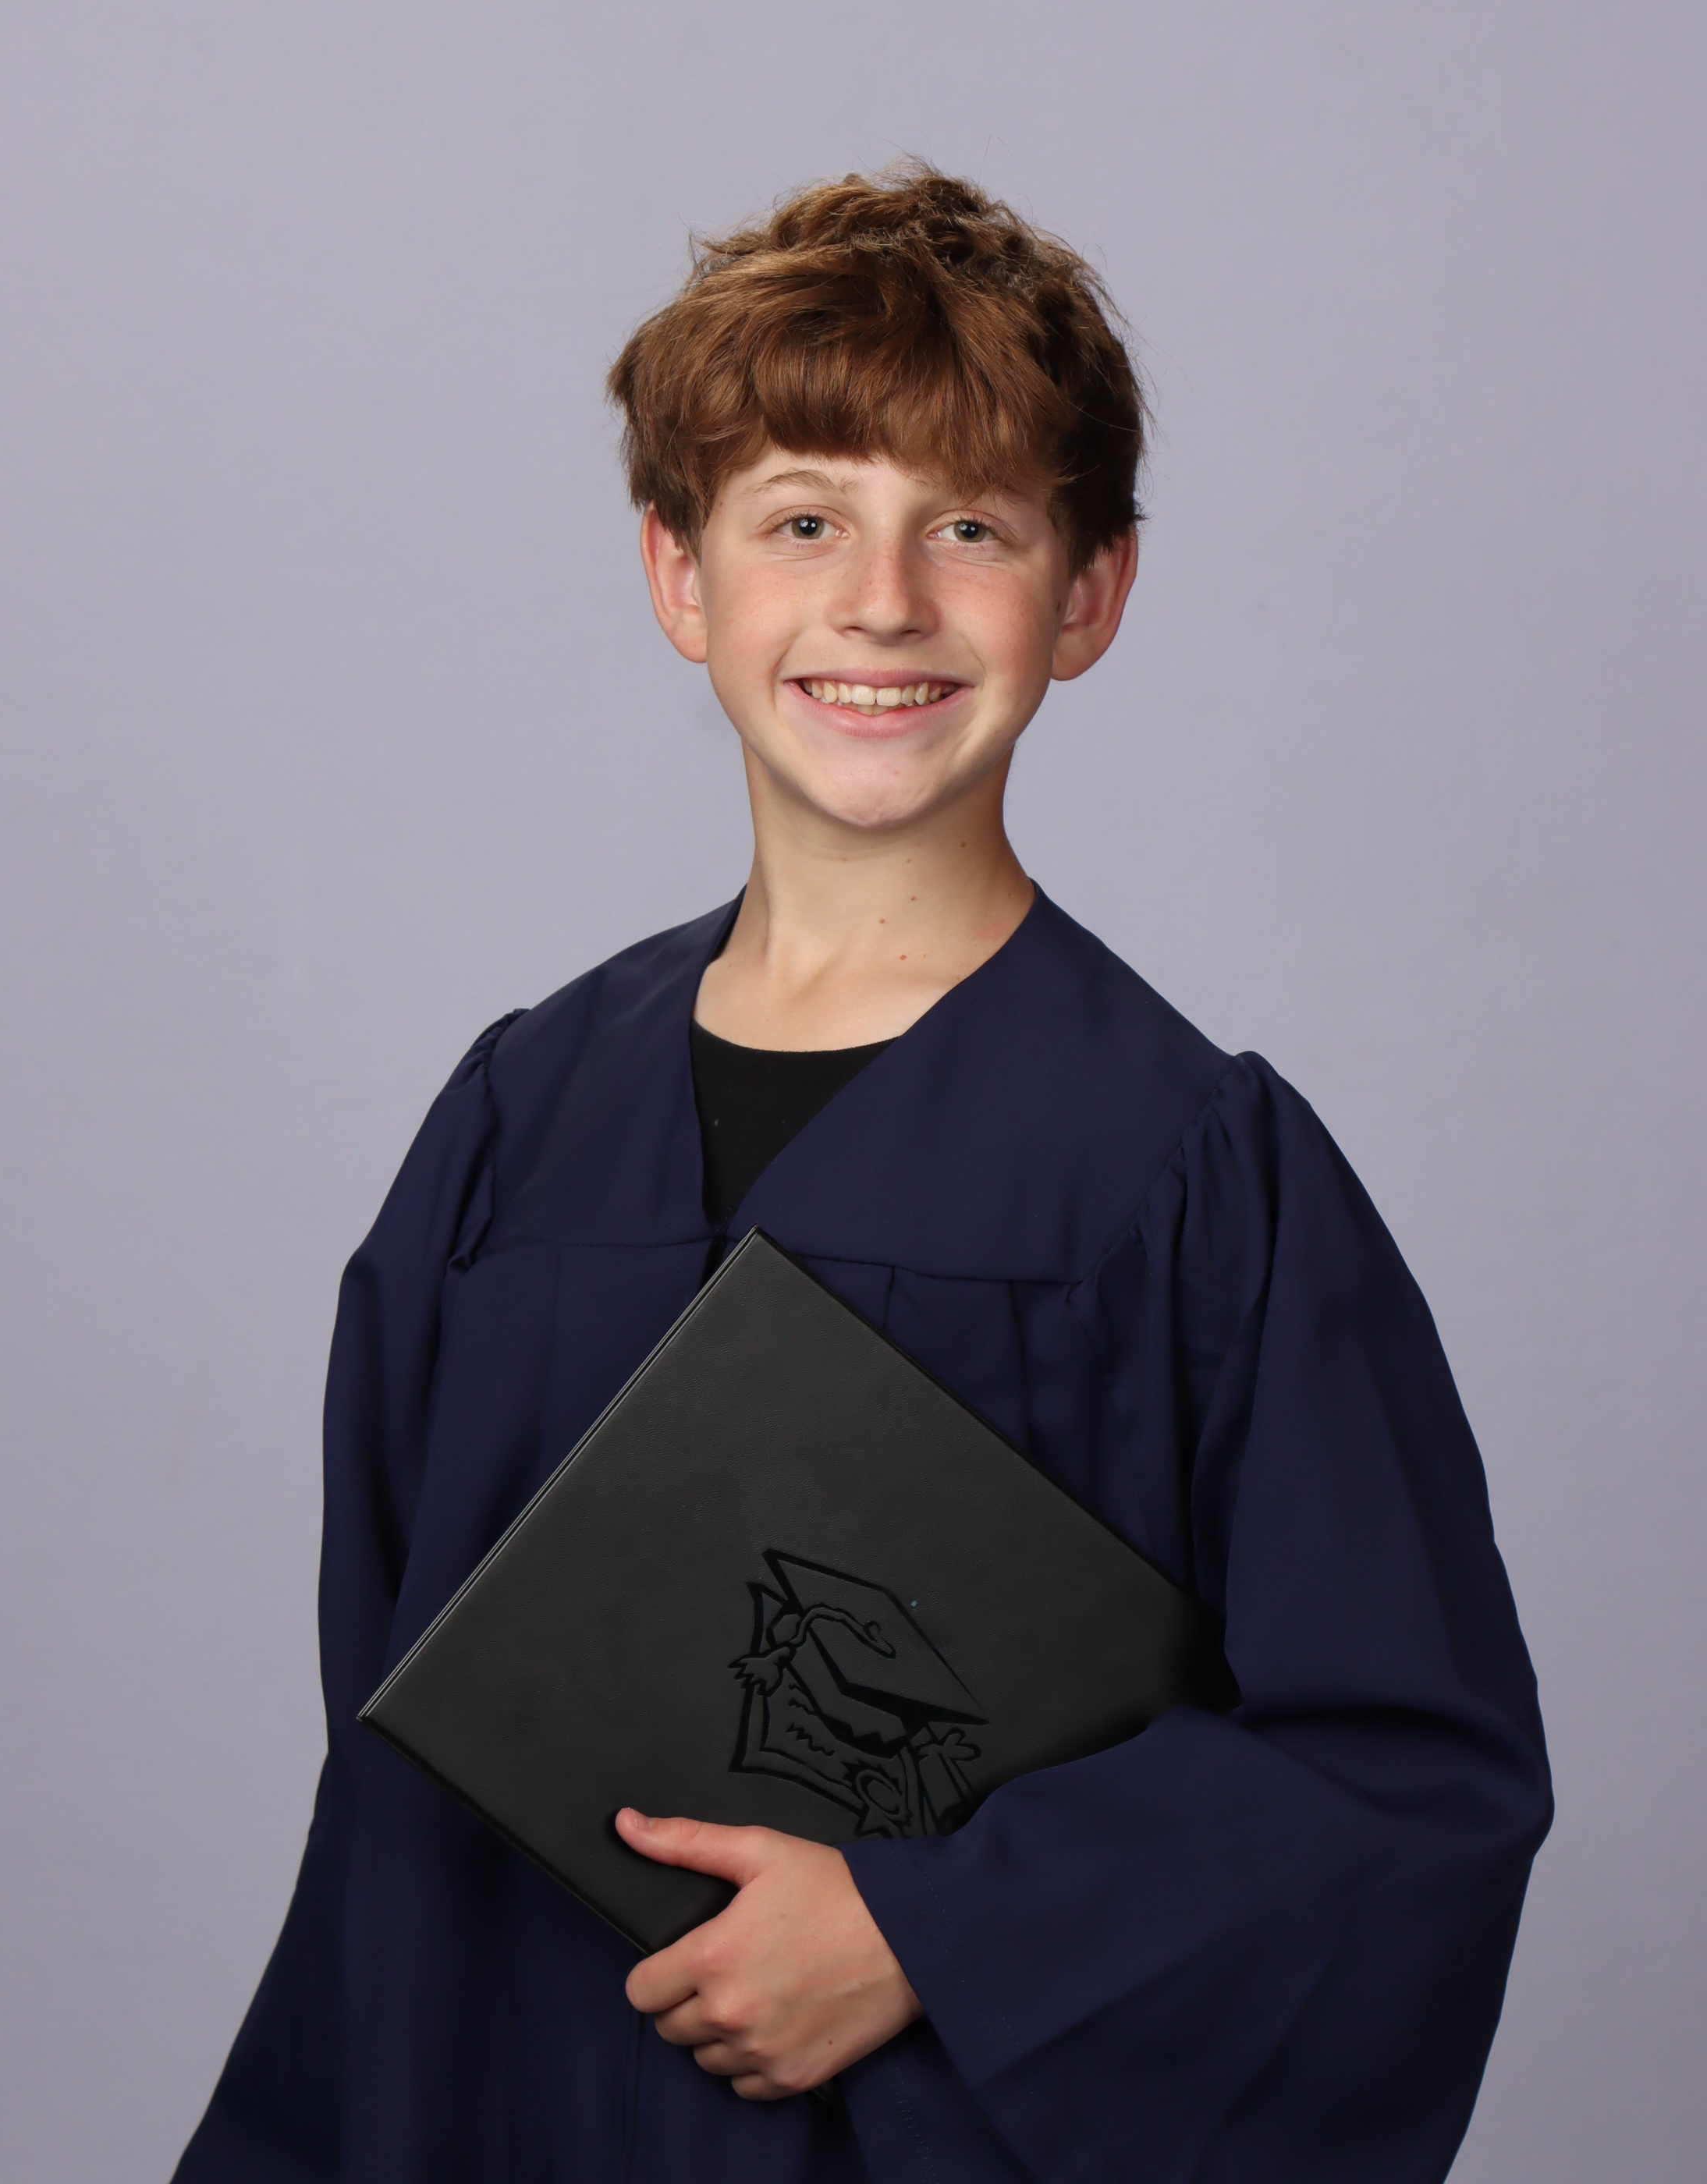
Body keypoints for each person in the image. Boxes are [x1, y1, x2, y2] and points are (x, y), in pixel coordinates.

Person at [173, 166, 1552, 2184]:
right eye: (803, 520)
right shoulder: (512, 1131)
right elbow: (392, 1782)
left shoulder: (1193, 1178)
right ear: (683, 579)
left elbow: (1405, 1785)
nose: (884, 601)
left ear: (1090, 594)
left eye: (971, 527)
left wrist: (938, 1930)